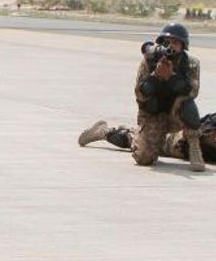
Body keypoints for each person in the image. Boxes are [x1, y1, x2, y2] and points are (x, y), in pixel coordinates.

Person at [79, 23, 206, 171]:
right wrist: (155, 76)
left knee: (187, 103)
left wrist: (172, 78)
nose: (171, 46)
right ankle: (105, 132)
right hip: (154, 113)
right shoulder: (150, 61)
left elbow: (193, 91)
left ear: (183, 46)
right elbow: (141, 94)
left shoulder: (191, 63)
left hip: (176, 113)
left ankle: (195, 148)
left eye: (176, 43)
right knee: (144, 158)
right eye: (167, 42)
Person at [79, 103, 216, 168]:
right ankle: (104, 131)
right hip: (172, 143)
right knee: (132, 141)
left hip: (179, 141)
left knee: (135, 134)